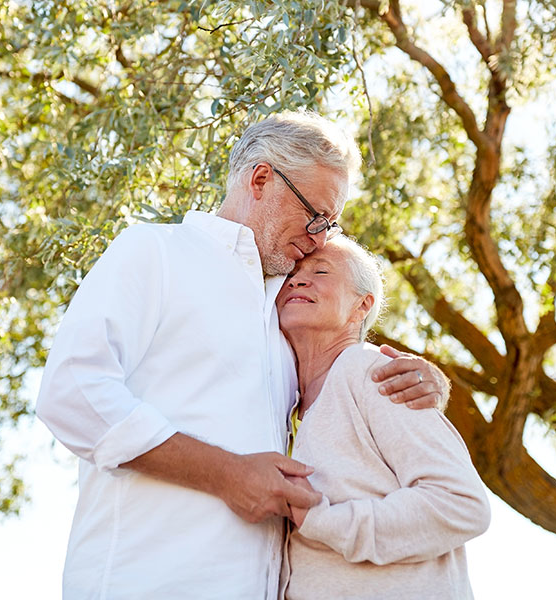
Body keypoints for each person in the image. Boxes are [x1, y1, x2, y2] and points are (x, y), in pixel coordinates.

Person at [36, 110, 450, 599]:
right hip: (144, 580)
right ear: (260, 180)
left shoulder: (286, 314)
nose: (319, 239)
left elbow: (338, 392)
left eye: (331, 226)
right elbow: (73, 393)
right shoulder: (155, 253)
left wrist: (426, 383)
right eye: (316, 215)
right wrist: (228, 474)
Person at [276, 235, 491, 599]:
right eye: (292, 274)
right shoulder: (286, 408)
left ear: (362, 306)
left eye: (321, 270)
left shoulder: (373, 373)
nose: (297, 280)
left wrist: (322, 520)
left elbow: (460, 503)